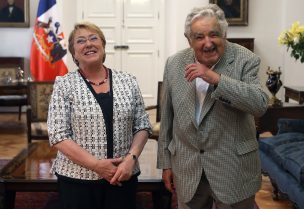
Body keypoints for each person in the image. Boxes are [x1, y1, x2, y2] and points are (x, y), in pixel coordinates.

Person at [157, 4, 269, 209]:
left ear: (224, 34)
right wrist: (165, 163)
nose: (208, 43)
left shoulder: (246, 60)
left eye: (214, 35)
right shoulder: (174, 63)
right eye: (199, 37)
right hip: (188, 170)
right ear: (188, 39)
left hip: (233, 169)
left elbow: (259, 104)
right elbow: (167, 119)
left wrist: (216, 79)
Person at [47, 22, 151, 209]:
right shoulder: (64, 84)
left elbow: (142, 125)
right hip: (77, 180)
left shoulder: (128, 81)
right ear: (74, 53)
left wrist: (131, 159)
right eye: (81, 41)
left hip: (123, 175)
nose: (88, 44)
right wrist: (96, 165)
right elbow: (58, 135)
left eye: (94, 38)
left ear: (103, 47)